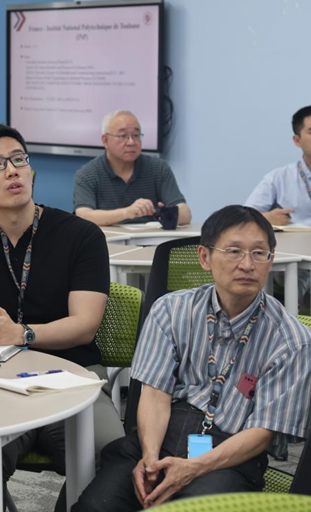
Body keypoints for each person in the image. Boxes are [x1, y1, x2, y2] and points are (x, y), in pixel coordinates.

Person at [0, 124, 123, 509]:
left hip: (71, 377)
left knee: (114, 457)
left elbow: (85, 325)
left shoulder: (82, 236)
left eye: (19, 160)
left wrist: (21, 334)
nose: (13, 170)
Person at [76, 206, 311, 511]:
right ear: (204, 257)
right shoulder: (171, 310)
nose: (247, 264)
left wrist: (194, 467)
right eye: (234, 251)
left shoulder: (291, 339)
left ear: (271, 260)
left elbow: (262, 433)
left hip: (229, 453)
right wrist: (150, 458)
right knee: (96, 505)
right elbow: (155, 395)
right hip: (161, 433)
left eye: (259, 253)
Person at [74, 110, 191, 226]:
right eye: (123, 136)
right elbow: (83, 216)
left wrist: (165, 214)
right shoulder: (88, 174)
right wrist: (127, 213)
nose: (131, 142)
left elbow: (185, 214)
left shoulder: (158, 169)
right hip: (107, 237)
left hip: (150, 237)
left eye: (136, 135)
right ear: (105, 140)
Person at [246, 105, 311, 226]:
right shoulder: (278, 178)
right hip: (295, 238)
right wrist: (266, 218)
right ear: (297, 140)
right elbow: (244, 215)